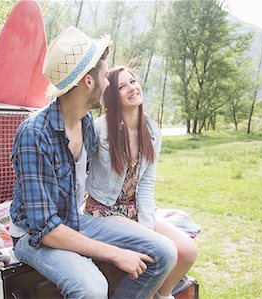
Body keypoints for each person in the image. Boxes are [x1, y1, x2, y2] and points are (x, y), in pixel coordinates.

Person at [9, 26, 177, 299]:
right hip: (34, 236)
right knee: (92, 288)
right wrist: (115, 253)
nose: (109, 83)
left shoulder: (86, 124)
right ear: (88, 81)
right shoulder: (34, 134)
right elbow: (45, 230)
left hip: (74, 219)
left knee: (165, 251)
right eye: (104, 74)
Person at [85, 66, 198, 299]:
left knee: (186, 251)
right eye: (122, 86)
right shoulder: (99, 129)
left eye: (133, 82)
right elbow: (78, 170)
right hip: (104, 211)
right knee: (162, 250)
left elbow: (146, 184)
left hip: (134, 210)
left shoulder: (152, 131)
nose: (131, 88)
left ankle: (161, 295)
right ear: (111, 96)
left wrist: (147, 228)